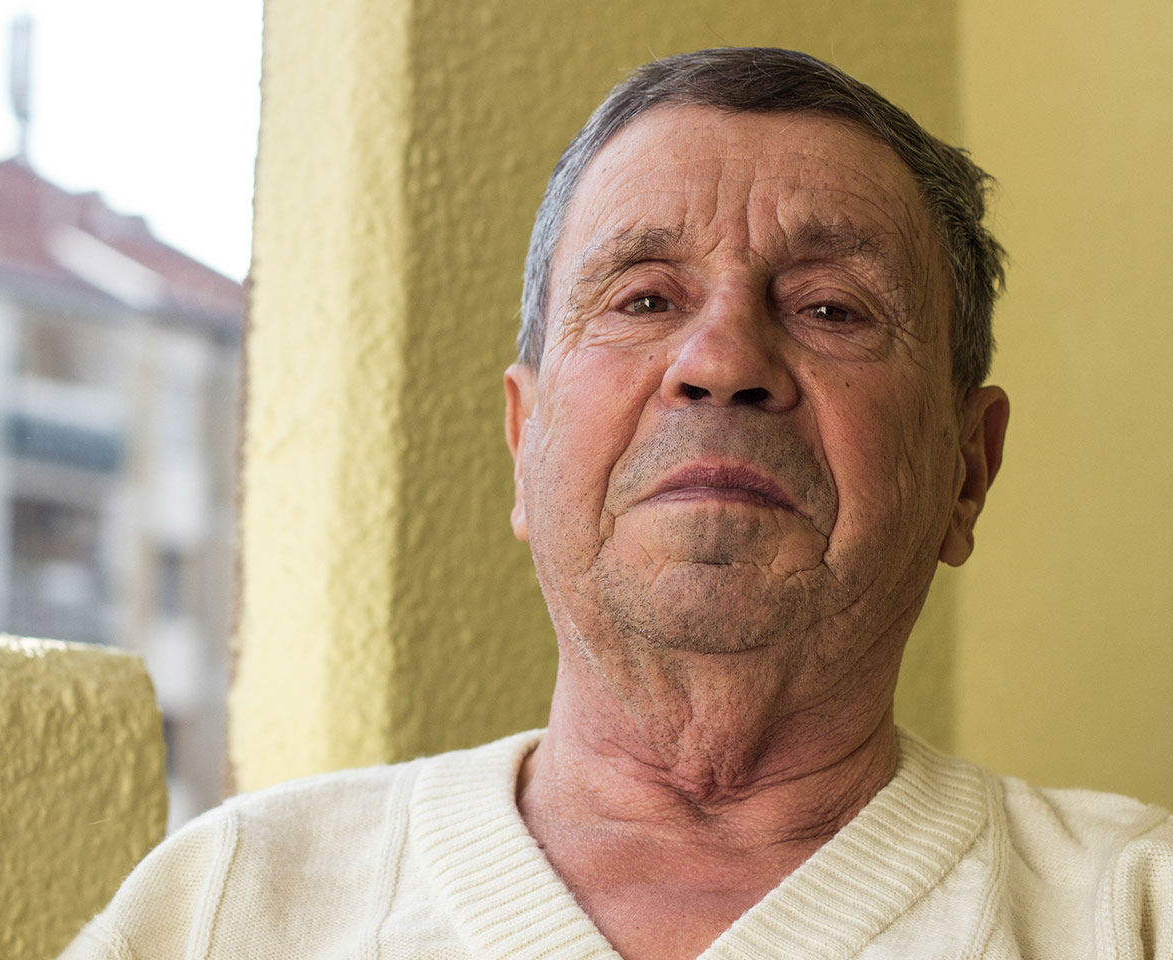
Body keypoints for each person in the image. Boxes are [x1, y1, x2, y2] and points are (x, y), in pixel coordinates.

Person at [61, 48, 1172, 959]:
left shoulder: (1131, 914)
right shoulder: (227, 908)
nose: (724, 358)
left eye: (833, 308)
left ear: (966, 473)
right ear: (523, 443)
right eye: (644, 297)